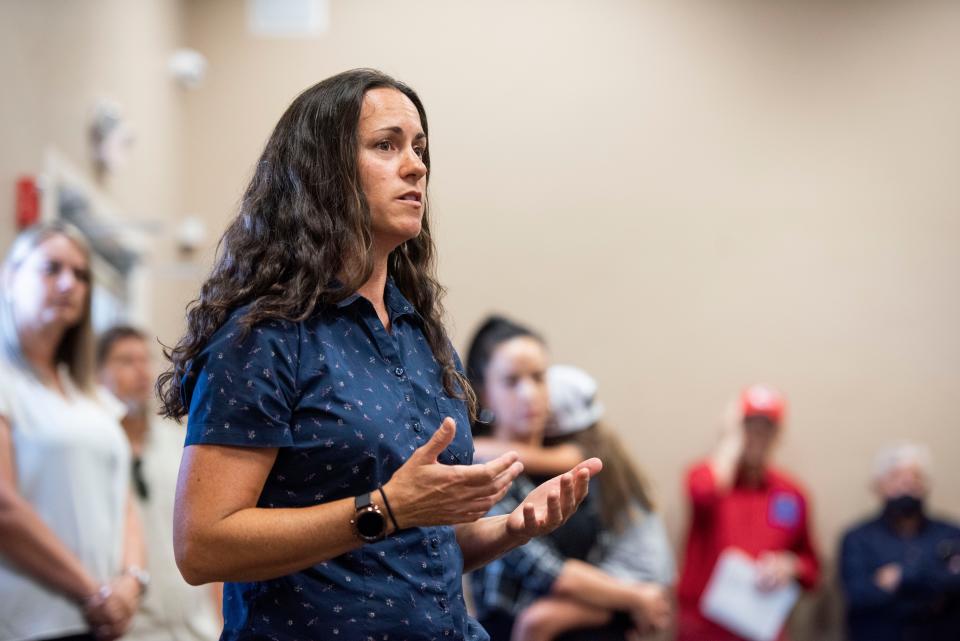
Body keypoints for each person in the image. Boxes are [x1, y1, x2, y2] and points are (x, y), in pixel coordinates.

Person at [155, 69, 602, 641]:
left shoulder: (423, 335)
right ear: (325, 172)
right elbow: (202, 546)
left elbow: (420, 545)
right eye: (386, 146)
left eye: (419, 150)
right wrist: (387, 507)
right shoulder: (265, 337)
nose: (416, 166)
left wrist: (513, 527)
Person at [465, 317, 671, 641]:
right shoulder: (485, 475)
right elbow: (548, 573)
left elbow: (607, 554)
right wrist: (634, 598)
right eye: (511, 380)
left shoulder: (565, 459)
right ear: (485, 393)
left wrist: (621, 605)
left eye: (538, 377)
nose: (529, 393)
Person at [0, 221, 146, 641]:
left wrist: (131, 582)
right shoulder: (7, 382)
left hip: (97, 621)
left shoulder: (90, 397)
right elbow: (4, 508)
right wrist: (94, 591)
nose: (70, 283)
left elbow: (124, 501)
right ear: (11, 277)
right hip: (29, 623)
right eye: (52, 268)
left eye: (81, 274)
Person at [507, 364, 676, 641]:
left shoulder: (576, 454)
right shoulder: (604, 445)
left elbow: (516, 455)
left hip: (634, 579)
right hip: (643, 576)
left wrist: (479, 445)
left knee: (535, 622)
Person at [96, 326, 222, 641]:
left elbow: (208, 533)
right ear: (97, 374)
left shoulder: (182, 444)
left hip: (196, 630)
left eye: (144, 359)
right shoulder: (91, 453)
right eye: (125, 361)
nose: (140, 370)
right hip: (129, 631)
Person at [676, 385, 820, 641]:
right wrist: (729, 443)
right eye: (749, 427)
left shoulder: (791, 493)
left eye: (766, 429)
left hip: (761, 628)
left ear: (777, 435)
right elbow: (702, 497)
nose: (757, 436)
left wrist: (791, 566)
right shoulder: (706, 477)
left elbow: (811, 566)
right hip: (703, 630)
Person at [839, 443, 960, 641]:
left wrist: (900, 577)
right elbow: (858, 594)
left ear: (926, 485)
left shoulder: (951, 534)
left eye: (915, 476)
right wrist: (932, 580)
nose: (906, 483)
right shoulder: (858, 538)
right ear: (878, 485)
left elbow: (955, 584)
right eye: (896, 476)